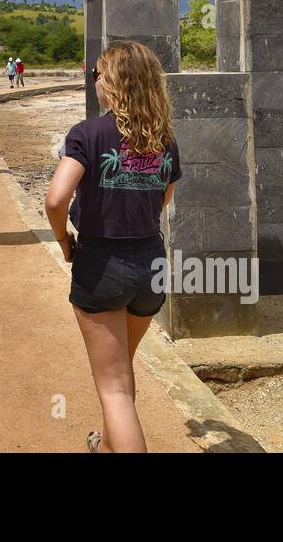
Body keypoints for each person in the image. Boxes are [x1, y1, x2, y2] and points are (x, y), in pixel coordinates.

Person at [44, 40, 181, 453]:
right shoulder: (165, 139)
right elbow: (163, 199)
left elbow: (55, 199)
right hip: (150, 264)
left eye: (98, 74)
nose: (95, 81)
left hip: (101, 262)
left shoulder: (89, 133)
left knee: (114, 389)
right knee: (120, 374)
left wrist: (64, 239)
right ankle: (104, 445)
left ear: (115, 83)